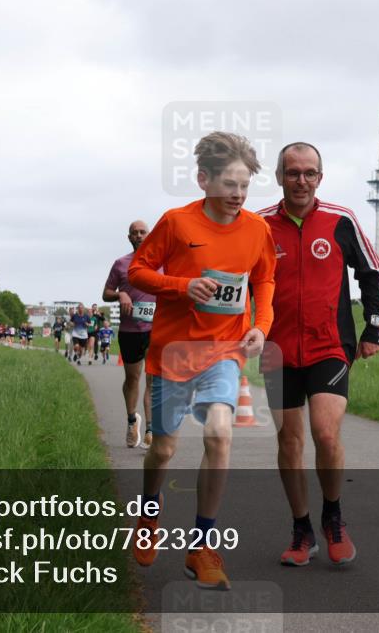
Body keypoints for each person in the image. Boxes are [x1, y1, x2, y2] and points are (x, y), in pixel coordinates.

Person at [128, 131, 276, 591]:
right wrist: (181, 286)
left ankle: (202, 545)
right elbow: (138, 271)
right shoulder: (175, 223)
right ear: (203, 180)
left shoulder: (257, 229)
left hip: (225, 351)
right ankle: (149, 515)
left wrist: (261, 327)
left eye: (244, 186)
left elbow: (265, 282)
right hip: (172, 352)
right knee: (164, 450)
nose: (237, 195)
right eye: (229, 184)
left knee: (219, 432)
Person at [256, 142, 379, 567]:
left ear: (320, 177)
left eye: (309, 173)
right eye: (292, 172)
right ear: (279, 177)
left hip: (329, 344)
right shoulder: (256, 226)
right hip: (276, 349)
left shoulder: (340, 220)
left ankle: (333, 515)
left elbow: (374, 273)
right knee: (289, 441)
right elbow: (235, 278)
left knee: (325, 433)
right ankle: (301, 529)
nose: (301, 180)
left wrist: (373, 326)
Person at [103, 220, 158, 449]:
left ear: (150, 235)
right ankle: (131, 420)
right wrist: (120, 295)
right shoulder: (120, 264)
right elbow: (106, 293)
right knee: (133, 378)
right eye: (134, 233)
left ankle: (150, 431)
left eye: (142, 232)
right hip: (129, 330)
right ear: (129, 237)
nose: (138, 235)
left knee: (153, 380)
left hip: (156, 329)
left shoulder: (161, 261)